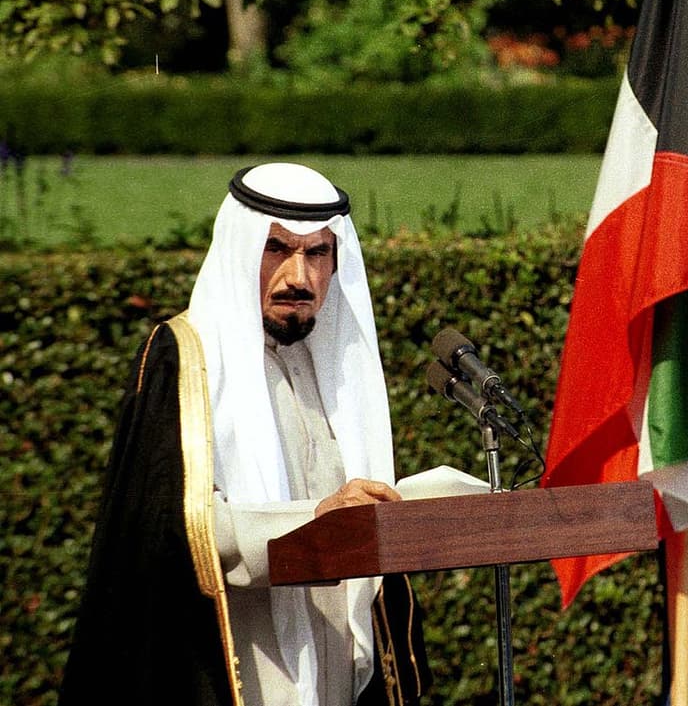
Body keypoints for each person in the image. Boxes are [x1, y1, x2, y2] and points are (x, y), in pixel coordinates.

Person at [61, 162, 431, 706]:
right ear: (241, 250)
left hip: (337, 677)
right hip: (242, 672)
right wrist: (315, 524)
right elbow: (177, 532)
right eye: (276, 249)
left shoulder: (337, 368)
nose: (298, 278)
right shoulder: (186, 361)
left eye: (318, 253)